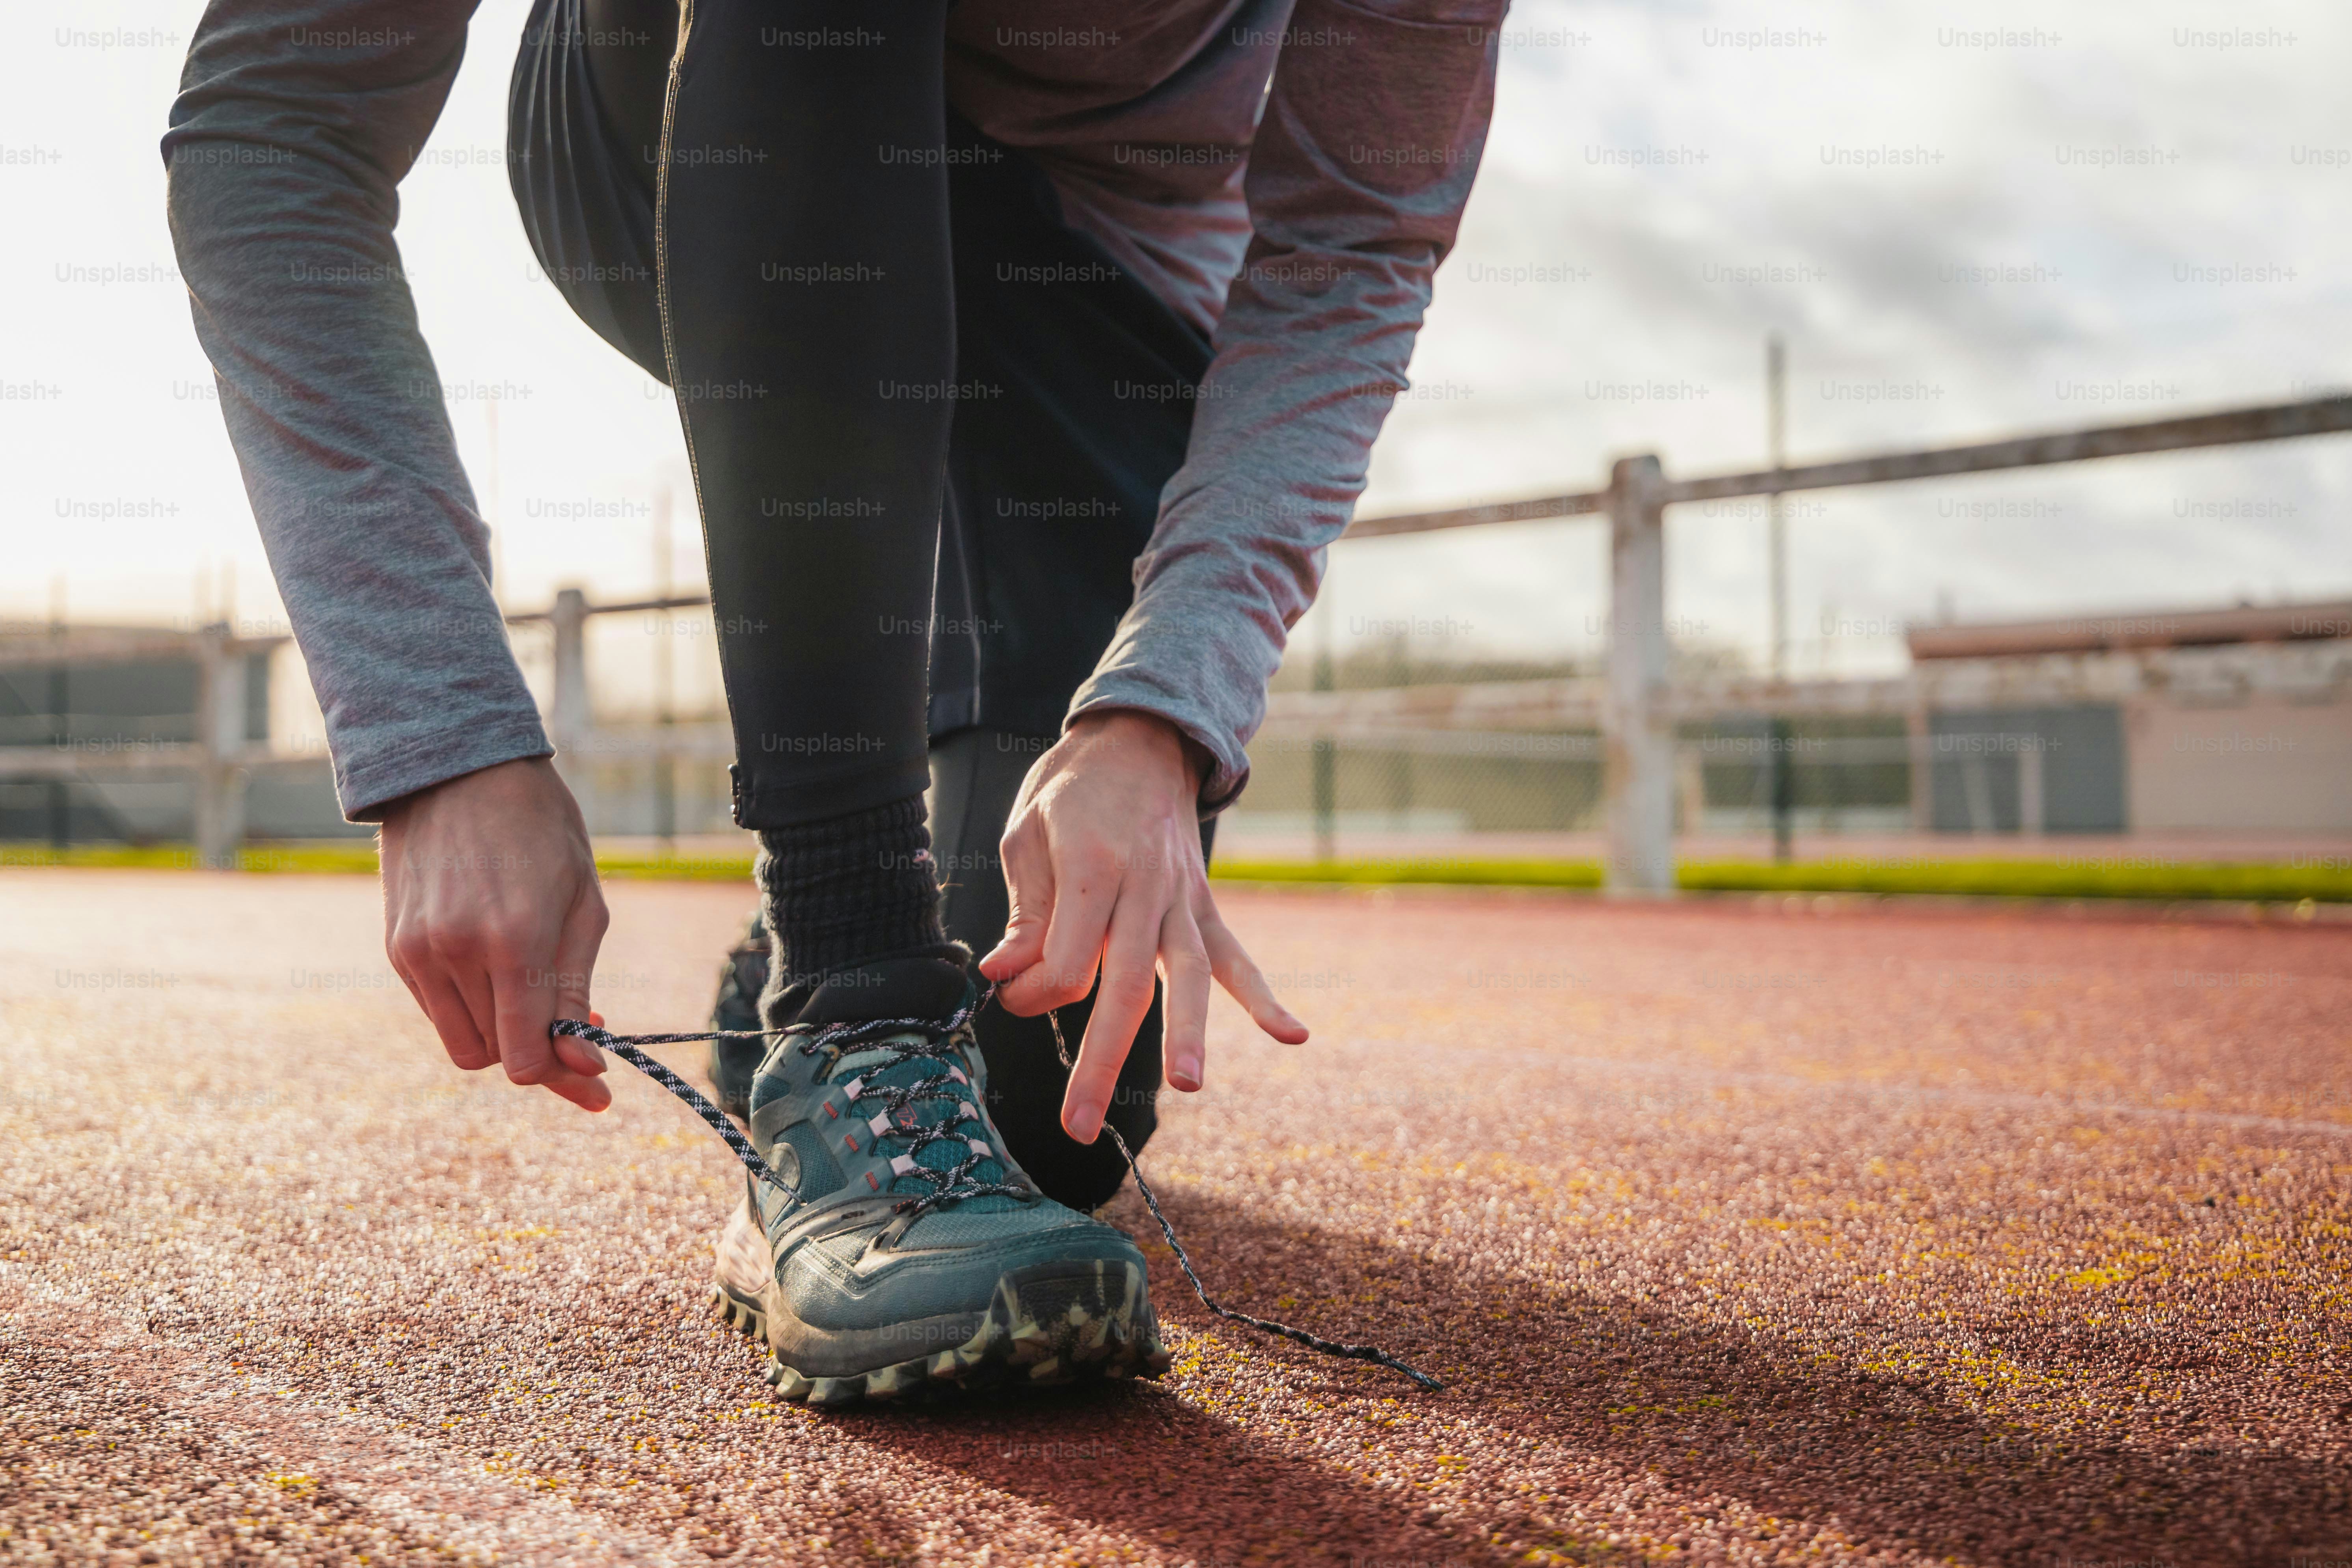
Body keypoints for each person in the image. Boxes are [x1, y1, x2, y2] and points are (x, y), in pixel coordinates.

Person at [164, 0, 1502, 1402]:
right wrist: (442, 742)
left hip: (1085, 306)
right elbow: (275, 127)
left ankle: (826, 950)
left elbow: (1351, 250)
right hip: (684, 105)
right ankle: (845, 967)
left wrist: (1162, 709)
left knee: (1043, 1115)